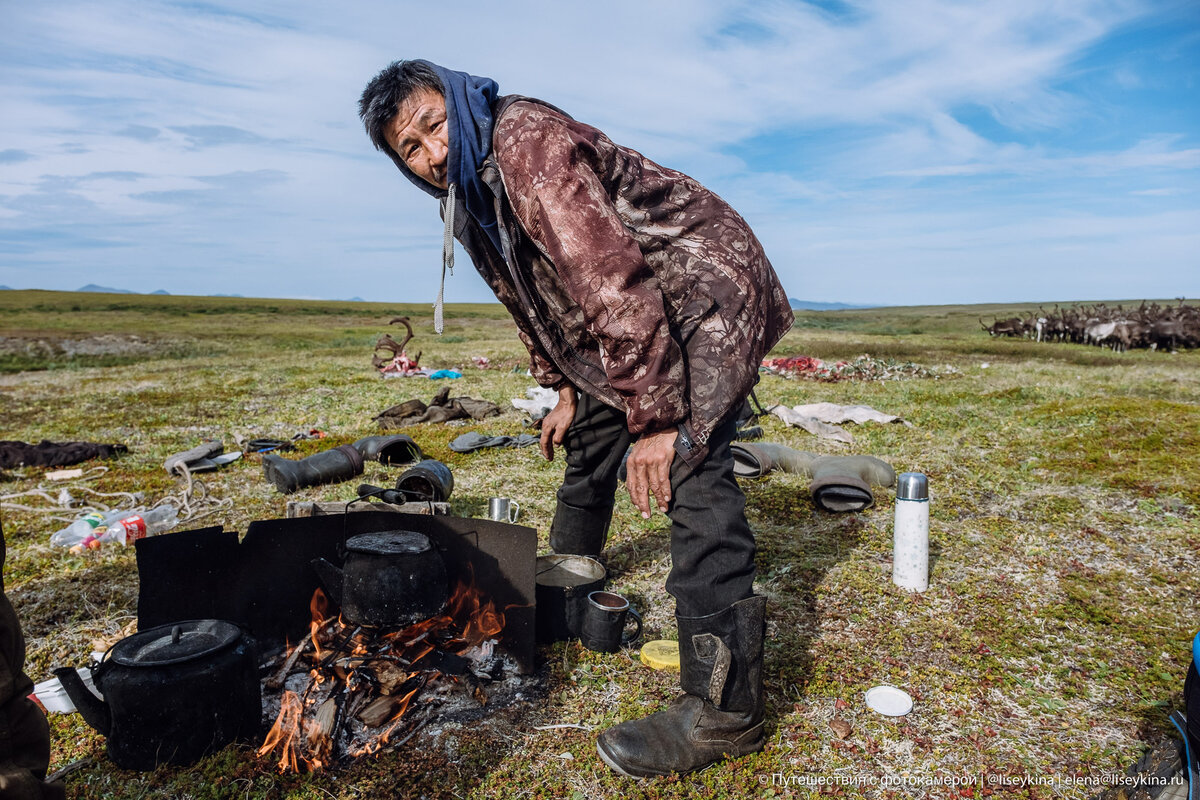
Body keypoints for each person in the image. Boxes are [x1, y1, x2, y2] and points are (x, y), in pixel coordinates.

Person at [359, 60, 793, 778]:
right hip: (634, 306)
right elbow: (525, 298)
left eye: (433, 128)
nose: (431, 155)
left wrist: (656, 420)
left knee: (691, 456)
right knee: (594, 402)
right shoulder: (467, 197)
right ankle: (578, 562)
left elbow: (611, 279)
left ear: (457, 106)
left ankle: (725, 711)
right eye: (410, 148)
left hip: (696, 283)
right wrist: (562, 384)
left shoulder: (527, 143)